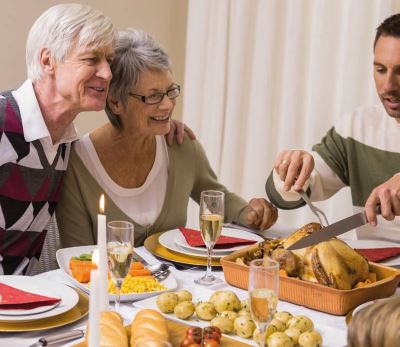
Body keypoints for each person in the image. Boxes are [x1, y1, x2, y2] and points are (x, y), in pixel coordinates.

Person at [56, 29, 278, 248]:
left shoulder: (180, 145)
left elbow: (215, 196)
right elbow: (76, 259)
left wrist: (249, 212)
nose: (168, 105)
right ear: (115, 102)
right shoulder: (77, 164)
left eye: (171, 91)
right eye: (153, 96)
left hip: (179, 283)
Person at [0, 3, 117, 275]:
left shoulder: (64, 141)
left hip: (28, 302)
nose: (108, 73)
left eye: (109, 60)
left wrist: (160, 122)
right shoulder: (3, 122)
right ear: (47, 61)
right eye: (91, 60)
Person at [265, 13, 400, 242]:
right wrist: (292, 171)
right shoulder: (356, 129)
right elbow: (287, 197)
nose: (388, 86)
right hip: (375, 275)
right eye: (380, 70)